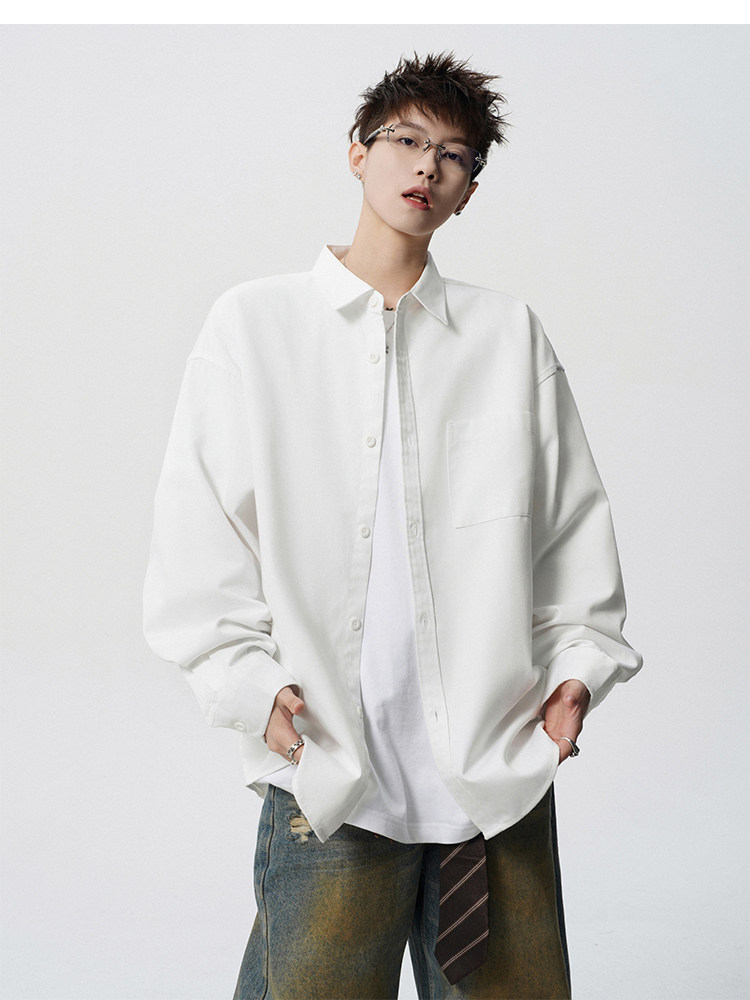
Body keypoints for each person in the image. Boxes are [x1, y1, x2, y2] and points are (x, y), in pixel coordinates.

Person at [143, 52, 642, 1000]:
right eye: (406, 140)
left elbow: (573, 530)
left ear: (469, 189)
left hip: (494, 781)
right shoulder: (254, 328)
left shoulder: (507, 337)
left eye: (453, 156)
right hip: (333, 776)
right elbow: (198, 544)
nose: (426, 167)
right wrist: (251, 688)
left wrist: (579, 672)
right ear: (357, 152)